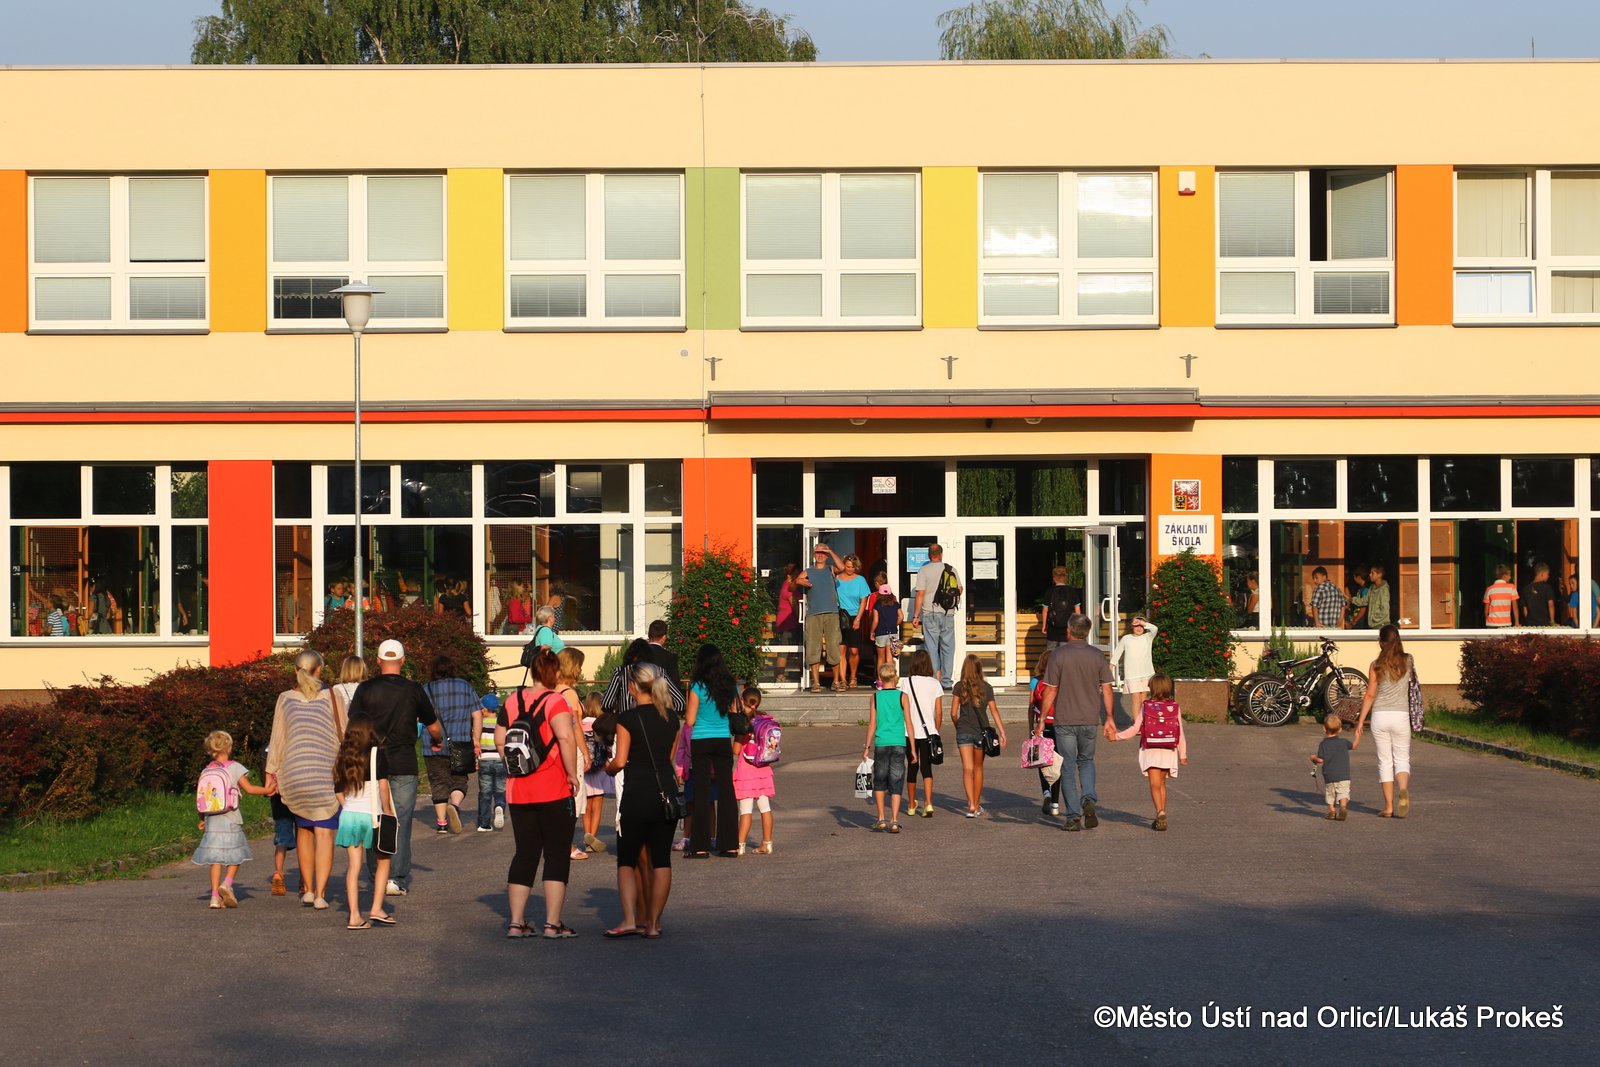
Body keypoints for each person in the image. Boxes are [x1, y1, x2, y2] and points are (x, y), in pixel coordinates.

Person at [496, 647, 583, 938]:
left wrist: (514, 767)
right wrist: (571, 774)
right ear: (555, 672)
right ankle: (552, 923)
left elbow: (499, 740)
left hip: (519, 790)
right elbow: (566, 737)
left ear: (533, 671)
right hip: (553, 788)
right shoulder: (556, 701)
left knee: (525, 853)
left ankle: (515, 923)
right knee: (556, 854)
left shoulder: (512, 700)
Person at [349, 639, 442, 897]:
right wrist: (437, 740)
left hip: (371, 762)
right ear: (403, 660)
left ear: (378, 661)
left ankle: (377, 875)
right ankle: (396, 878)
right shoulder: (413, 689)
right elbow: (433, 726)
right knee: (399, 821)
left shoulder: (365, 689)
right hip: (403, 762)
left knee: (374, 818)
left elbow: (353, 724)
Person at [603, 662, 681, 940]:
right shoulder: (671, 718)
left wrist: (608, 768)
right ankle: (654, 924)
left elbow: (620, 761)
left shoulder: (627, 718)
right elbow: (669, 758)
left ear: (632, 687)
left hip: (637, 793)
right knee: (661, 860)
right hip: (666, 793)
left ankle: (629, 920)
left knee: (626, 859)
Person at [264, 649, 346, 909]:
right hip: (325, 775)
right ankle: (321, 894)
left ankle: (308, 890)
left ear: (295, 670)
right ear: (319, 669)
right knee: (324, 834)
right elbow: (345, 733)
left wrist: (270, 775)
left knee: (304, 831)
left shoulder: (285, 698)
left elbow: (277, 740)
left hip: (295, 775)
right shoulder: (333, 696)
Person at [1035, 613, 1114, 832]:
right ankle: (1088, 798)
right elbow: (1107, 689)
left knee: (1067, 767)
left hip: (1064, 720)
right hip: (1089, 719)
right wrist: (1109, 718)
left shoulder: (1058, 655)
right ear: (1087, 632)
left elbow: (1050, 690)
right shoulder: (1097, 655)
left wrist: (1041, 720)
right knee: (1086, 761)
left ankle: (1073, 817)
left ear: (1068, 631)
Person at [193, 730, 271, 909]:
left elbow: (202, 797)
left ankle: (214, 897)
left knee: (215, 860)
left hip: (212, 819)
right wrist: (268, 790)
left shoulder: (207, 770)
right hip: (231, 818)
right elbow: (250, 789)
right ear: (228, 747)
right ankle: (227, 883)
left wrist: (202, 818)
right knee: (236, 855)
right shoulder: (235, 767)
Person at [332, 713, 396, 930]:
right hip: (372, 815)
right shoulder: (377, 753)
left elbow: (338, 791)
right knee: (383, 860)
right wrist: (388, 811)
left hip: (349, 816)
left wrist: (348, 807)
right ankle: (376, 908)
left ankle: (354, 916)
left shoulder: (343, 756)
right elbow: (383, 786)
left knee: (354, 867)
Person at [1353, 624, 1415, 819]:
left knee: (1385, 761)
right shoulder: (1408, 660)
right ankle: (1402, 791)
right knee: (1402, 758)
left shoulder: (1376, 665)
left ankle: (1388, 807)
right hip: (1400, 715)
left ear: (1381, 642)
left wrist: (1360, 721)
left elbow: (1370, 695)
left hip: (1380, 715)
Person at [1112, 672, 1188, 831]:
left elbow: (1135, 729)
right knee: (1162, 783)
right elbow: (1179, 732)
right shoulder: (1174, 707)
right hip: (1168, 749)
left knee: (1154, 784)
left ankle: (1160, 812)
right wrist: (1183, 754)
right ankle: (1161, 812)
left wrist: (1116, 736)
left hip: (1151, 749)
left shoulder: (1146, 706)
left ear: (1152, 688)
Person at [685, 643, 740, 858]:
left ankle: (700, 846)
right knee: (727, 789)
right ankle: (730, 844)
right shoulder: (730, 685)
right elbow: (734, 711)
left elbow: (690, 720)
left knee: (702, 790)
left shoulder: (697, 686)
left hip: (701, 739)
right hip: (723, 738)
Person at [422, 655, 479, 835]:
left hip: (433, 744)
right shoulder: (465, 686)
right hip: (461, 743)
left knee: (438, 782)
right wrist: (476, 740)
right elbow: (477, 715)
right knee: (459, 780)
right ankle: (454, 805)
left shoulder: (426, 689)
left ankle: (441, 823)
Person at [952, 654, 1005, 818]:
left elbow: (953, 713)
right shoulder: (986, 687)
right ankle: (976, 804)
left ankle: (971, 805)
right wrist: (1002, 732)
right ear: (979, 669)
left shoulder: (959, 687)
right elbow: (994, 711)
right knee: (978, 768)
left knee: (967, 769)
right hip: (981, 732)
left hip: (963, 730)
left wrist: (959, 726)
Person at [864, 662, 915, 833]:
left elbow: (872, 724)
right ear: (895, 677)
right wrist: (913, 747)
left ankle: (881, 818)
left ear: (880, 677)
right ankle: (894, 820)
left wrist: (867, 746)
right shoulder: (903, 696)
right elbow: (909, 723)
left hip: (881, 743)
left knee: (880, 781)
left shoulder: (875, 697)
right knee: (896, 781)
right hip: (899, 742)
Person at [553, 648, 591, 863]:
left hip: (555, 749)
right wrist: (585, 752)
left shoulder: (551, 690)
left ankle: (558, 841)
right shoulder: (570, 693)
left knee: (558, 796)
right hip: (571, 748)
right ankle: (567, 844)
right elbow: (576, 727)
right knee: (574, 796)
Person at [898, 649, 943, 818]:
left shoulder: (906, 682)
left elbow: (902, 707)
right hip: (928, 732)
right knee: (926, 768)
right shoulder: (935, 684)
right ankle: (928, 803)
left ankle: (911, 804)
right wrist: (935, 730)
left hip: (909, 731)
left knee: (912, 767)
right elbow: (939, 712)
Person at [732, 687, 776, 855]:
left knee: (746, 810)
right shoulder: (765, 719)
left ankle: (740, 845)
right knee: (765, 808)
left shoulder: (742, 722)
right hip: (763, 769)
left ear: (742, 701)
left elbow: (736, 750)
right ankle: (767, 843)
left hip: (747, 771)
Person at [795, 543, 844, 693]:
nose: (820, 555)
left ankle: (836, 681)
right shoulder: (808, 571)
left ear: (827, 555)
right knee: (813, 647)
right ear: (813, 554)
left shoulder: (831, 569)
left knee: (833, 647)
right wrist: (801, 581)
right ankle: (815, 683)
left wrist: (830, 550)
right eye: (818, 552)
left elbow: (842, 567)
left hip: (831, 613)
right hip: (813, 614)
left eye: (823, 553)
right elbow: (797, 580)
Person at [911, 543, 960, 689]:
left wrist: (915, 616)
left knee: (931, 647)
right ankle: (947, 682)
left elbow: (920, 593)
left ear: (929, 555)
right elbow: (959, 589)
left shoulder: (924, 570)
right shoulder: (951, 569)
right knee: (948, 647)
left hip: (930, 613)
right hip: (948, 613)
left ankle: (933, 681)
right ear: (941, 554)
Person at [1028, 648, 1065, 815]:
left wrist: (1031, 727)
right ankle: (1056, 805)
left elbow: (1031, 705)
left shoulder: (1035, 681)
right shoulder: (1061, 680)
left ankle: (1046, 793)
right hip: (1059, 724)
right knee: (1057, 763)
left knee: (1042, 762)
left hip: (1041, 727)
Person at [579, 692, 614, 853]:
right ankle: (592, 837)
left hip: (585, 769)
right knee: (597, 806)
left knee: (586, 807)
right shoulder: (602, 725)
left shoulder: (580, 724)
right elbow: (608, 747)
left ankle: (587, 837)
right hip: (600, 770)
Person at [1109, 616, 1160, 717]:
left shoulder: (1148, 637)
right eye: (1136, 625)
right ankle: (1136, 723)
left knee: (1143, 699)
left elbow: (1155, 628)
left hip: (1146, 673)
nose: (1139, 628)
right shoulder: (1126, 638)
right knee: (1136, 697)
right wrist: (1111, 665)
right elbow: (1118, 652)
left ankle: (1143, 721)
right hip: (1132, 674)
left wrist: (1142, 622)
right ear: (1132, 626)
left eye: (1141, 626)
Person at [471, 692, 506, 832]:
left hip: (484, 760)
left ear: (485, 709)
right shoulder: (501, 724)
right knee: (500, 789)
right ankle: (499, 806)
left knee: (485, 792)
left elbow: (476, 743)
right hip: (500, 759)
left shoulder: (479, 724)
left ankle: (484, 824)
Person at [836, 553, 872, 689]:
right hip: (840, 615)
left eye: (852, 567)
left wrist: (858, 618)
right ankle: (842, 679)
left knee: (854, 650)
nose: (850, 569)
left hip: (854, 616)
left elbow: (864, 600)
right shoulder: (837, 579)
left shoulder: (860, 580)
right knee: (841, 649)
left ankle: (853, 676)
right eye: (847, 566)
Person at [1310, 712, 1353, 822]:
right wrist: (1357, 736)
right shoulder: (1344, 742)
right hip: (1344, 775)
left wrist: (1313, 758)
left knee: (1330, 794)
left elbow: (1320, 760)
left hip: (1330, 775)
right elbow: (1354, 746)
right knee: (1343, 793)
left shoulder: (1323, 744)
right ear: (1340, 730)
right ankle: (1343, 807)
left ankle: (1332, 811)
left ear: (1324, 729)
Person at [1037, 566, 1084, 650]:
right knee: (1065, 651)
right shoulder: (1072, 591)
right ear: (1066, 578)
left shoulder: (1049, 591)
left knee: (1050, 652)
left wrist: (1044, 625)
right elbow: (1077, 610)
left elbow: (1045, 610)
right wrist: (1077, 626)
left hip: (1052, 628)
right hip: (1067, 628)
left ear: (1054, 578)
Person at [866, 581, 901, 673]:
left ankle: (880, 679)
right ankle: (890, 677)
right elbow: (901, 617)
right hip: (893, 633)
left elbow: (875, 621)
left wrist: (872, 632)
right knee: (889, 658)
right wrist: (894, 624)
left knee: (880, 658)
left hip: (880, 633)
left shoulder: (877, 605)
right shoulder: (895, 604)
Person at [642, 619, 682, 685]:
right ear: (664, 637)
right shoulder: (670, 657)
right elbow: (675, 684)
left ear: (649, 635)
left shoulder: (638, 654)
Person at [1483, 564, 1519, 628]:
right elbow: (1515, 607)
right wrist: (1517, 622)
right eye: (1509, 575)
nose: (1510, 577)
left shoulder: (1489, 589)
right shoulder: (1511, 587)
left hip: (1491, 623)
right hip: (1506, 623)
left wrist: (1487, 621)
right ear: (1504, 576)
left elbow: (1486, 610)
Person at [1523, 562, 1558, 626]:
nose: (1548, 576)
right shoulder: (1547, 588)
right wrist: (1552, 621)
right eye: (1547, 574)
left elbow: (1525, 608)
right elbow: (1551, 605)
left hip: (1530, 624)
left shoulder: (1526, 589)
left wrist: (1527, 621)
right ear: (1542, 574)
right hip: (1545, 624)